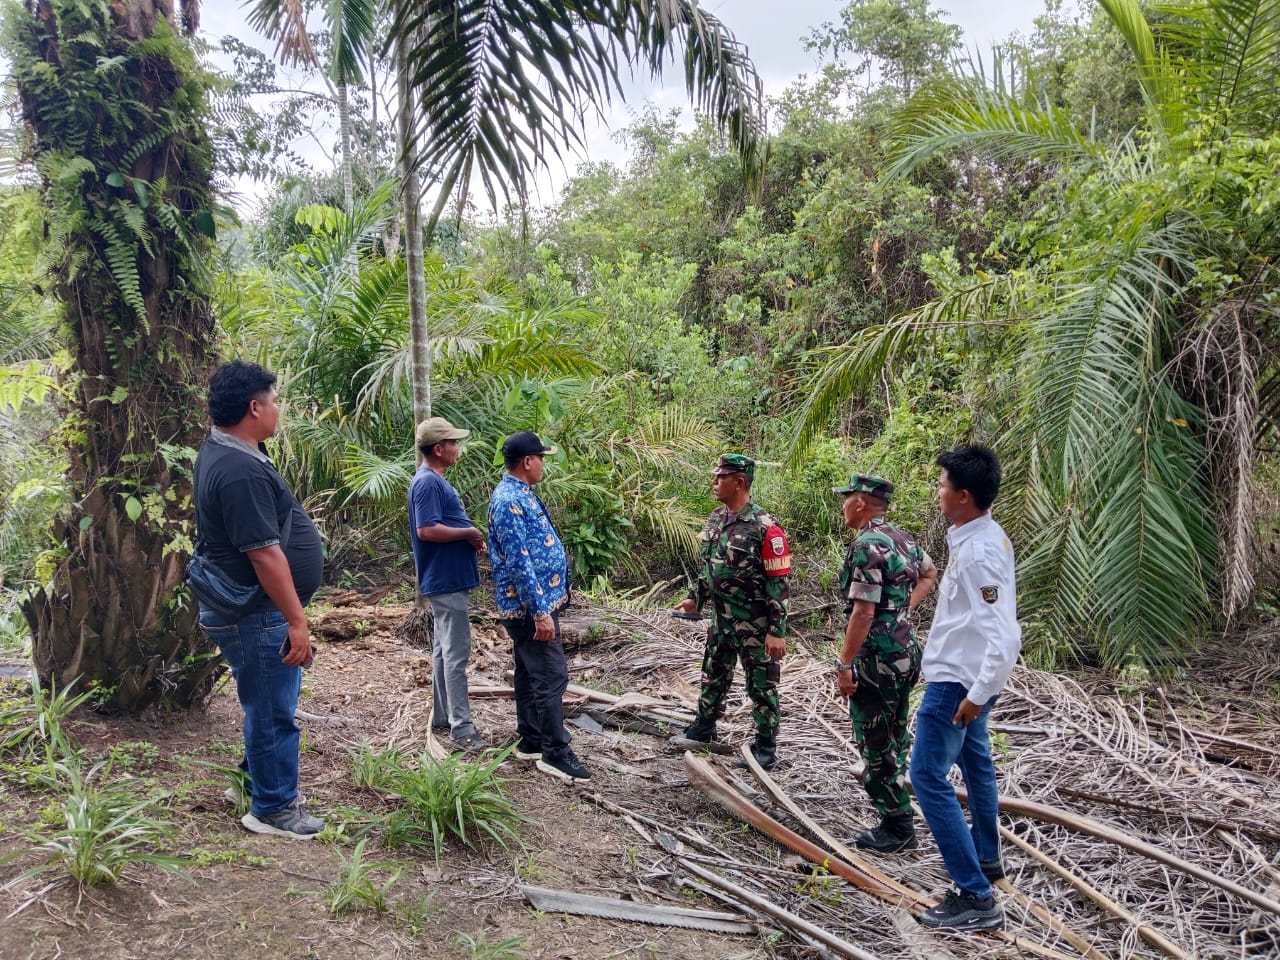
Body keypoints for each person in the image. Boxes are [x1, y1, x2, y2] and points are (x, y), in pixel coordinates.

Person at [194, 360, 326, 839]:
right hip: (257, 612)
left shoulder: (231, 450)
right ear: (254, 407)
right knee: (272, 710)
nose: (278, 410)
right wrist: (297, 622)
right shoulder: (238, 470)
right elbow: (266, 555)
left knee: (266, 702)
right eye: (274, 401)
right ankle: (272, 808)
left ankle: (251, 783)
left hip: (254, 610)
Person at [910, 445, 1021, 931]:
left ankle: (974, 896)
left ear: (964, 496)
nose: (939, 493)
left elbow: (1005, 633)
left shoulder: (977, 552)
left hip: (958, 683)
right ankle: (987, 859)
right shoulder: (981, 536)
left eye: (943, 486)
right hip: (970, 679)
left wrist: (977, 694)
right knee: (977, 766)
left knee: (927, 777)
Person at [833, 474, 937, 854]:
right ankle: (897, 799)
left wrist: (845, 664)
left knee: (874, 740)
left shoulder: (867, 545)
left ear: (860, 502)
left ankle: (897, 825)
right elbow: (929, 572)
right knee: (894, 731)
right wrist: (902, 612)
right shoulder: (902, 539)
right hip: (905, 651)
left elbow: (862, 612)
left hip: (876, 658)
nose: (843, 505)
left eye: (846, 498)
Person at [671, 454, 790, 769]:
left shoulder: (766, 529)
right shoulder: (716, 519)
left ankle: (765, 747)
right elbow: (708, 569)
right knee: (713, 675)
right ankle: (704, 727)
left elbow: (779, 584)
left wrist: (777, 632)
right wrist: (695, 599)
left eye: (720, 478)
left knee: (761, 686)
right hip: (721, 620)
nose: (714, 482)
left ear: (739, 482)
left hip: (755, 624)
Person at [487, 430, 591, 783]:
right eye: (542, 458)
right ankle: (555, 752)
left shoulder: (521, 494)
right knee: (550, 674)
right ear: (528, 461)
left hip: (538, 603)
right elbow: (519, 561)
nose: (544, 464)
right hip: (530, 608)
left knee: (531, 673)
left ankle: (531, 740)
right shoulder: (508, 501)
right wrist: (540, 611)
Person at [410, 416, 487, 753]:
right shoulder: (427, 482)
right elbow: (426, 530)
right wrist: (468, 532)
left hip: (446, 578)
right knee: (456, 655)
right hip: (445, 580)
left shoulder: (432, 480)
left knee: (443, 652)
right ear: (439, 449)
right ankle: (462, 730)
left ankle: (444, 715)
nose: (457, 448)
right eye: (453, 443)